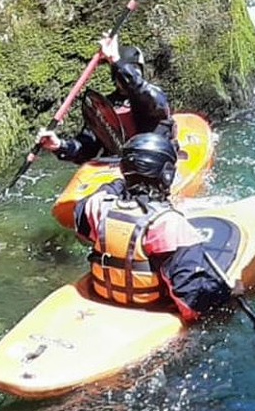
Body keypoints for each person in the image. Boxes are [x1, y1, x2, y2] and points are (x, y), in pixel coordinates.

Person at [71, 130, 235, 320]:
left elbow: (82, 224)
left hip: (101, 297)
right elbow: (192, 298)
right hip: (150, 308)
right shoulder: (169, 224)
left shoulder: (97, 206)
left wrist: (126, 182)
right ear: (166, 175)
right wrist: (225, 295)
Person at [37, 34, 173, 164]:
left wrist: (116, 61)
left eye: (135, 70)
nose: (131, 74)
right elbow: (86, 147)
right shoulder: (103, 106)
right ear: (114, 76)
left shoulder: (152, 96)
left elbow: (145, 94)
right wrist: (60, 146)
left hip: (154, 159)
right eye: (129, 70)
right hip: (118, 164)